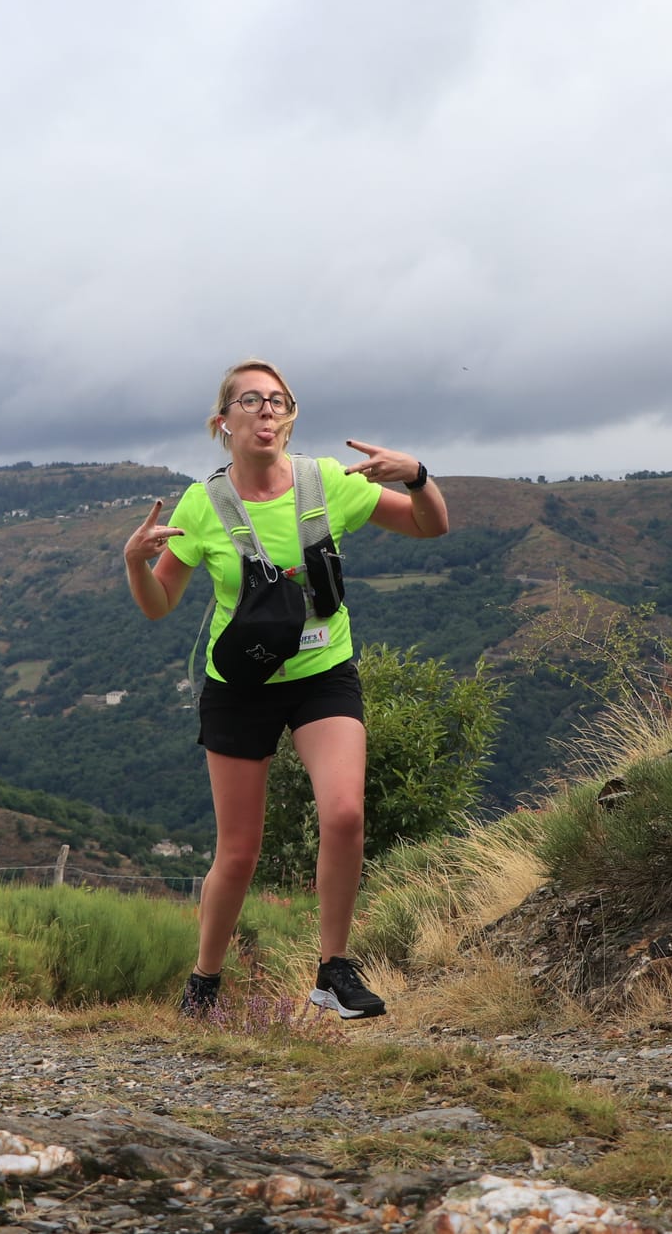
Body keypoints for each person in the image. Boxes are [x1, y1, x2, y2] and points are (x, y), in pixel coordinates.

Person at [124, 358, 449, 1020]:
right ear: (223, 422)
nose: (266, 410)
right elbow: (159, 603)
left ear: (290, 417)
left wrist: (417, 475)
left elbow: (430, 524)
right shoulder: (202, 503)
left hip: (322, 672)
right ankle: (204, 982)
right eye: (250, 400)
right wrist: (135, 562)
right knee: (238, 852)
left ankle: (333, 970)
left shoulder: (326, 481)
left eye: (277, 400)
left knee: (345, 814)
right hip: (239, 685)